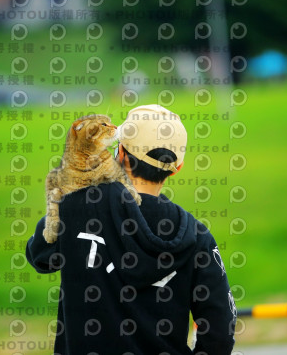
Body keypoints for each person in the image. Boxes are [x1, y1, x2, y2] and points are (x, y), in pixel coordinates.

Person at [26, 104, 236, 355]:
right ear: (177, 168)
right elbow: (220, 331)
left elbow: (39, 256)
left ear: (121, 154)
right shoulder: (196, 236)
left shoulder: (77, 207)